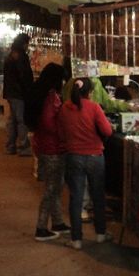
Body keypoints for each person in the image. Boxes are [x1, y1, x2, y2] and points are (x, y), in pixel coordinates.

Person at [59, 78, 113, 250]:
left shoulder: (65, 108)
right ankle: (100, 234)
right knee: (97, 196)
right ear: (89, 92)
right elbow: (107, 130)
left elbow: (61, 132)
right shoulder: (94, 107)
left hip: (73, 156)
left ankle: (76, 239)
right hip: (95, 156)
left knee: (76, 198)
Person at [24, 63, 71, 241]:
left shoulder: (38, 91)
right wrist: (64, 133)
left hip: (43, 144)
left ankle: (57, 221)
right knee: (52, 188)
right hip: (52, 147)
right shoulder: (50, 97)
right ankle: (41, 227)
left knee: (56, 185)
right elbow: (50, 123)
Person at [3, 33, 33, 155]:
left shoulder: (11, 55)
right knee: (21, 120)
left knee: (13, 119)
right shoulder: (20, 56)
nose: (27, 46)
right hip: (18, 92)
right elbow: (23, 76)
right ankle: (23, 146)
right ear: (23, 43)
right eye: (27, 43)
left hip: (10, 91)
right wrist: (28, 89)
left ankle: (10, 146)